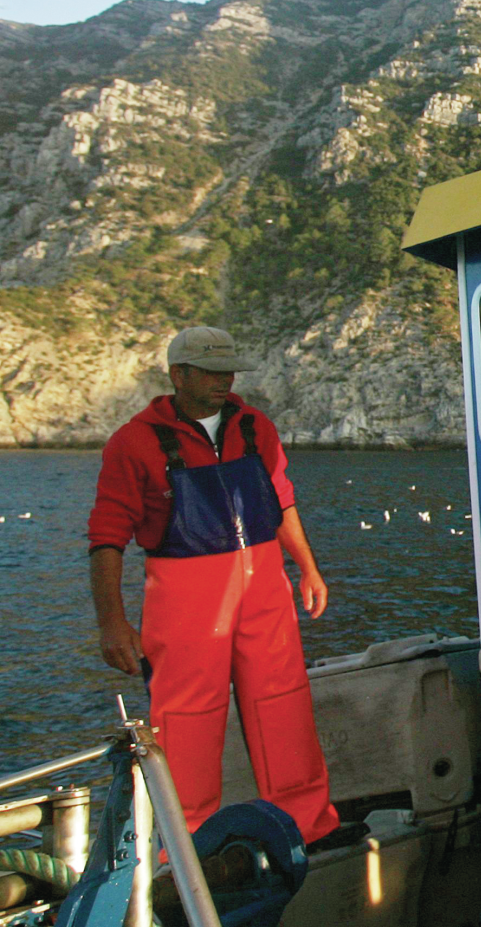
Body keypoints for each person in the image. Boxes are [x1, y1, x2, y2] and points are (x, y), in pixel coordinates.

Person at [86, 328, 339, 843]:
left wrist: (308, 569)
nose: (226, 379)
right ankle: (184, 846)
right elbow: (107, 537)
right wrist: (112, 622)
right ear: (178, 375)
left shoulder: (255, 427)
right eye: (212, 370)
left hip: (265, 585)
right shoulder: (132, 442)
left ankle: (307, 828)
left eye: (230, 370)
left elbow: (283, 503)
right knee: (185, 722)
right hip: (184, 599)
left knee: (284, 706)